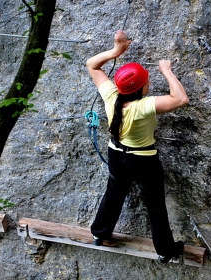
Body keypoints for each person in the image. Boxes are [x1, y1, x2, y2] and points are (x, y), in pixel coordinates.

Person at [86, 30, 189, 264]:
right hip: (143, 161)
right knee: (155, 205)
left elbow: (92, 66)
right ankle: (164, 250)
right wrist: (167, 71)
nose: (150, 83)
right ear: (139, 88)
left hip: (116, 154)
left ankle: (98, 233)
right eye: (147, 81)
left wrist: (116, 51)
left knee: (113, 194)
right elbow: (181, 98)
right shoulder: (144, 106)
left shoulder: (112, 96)